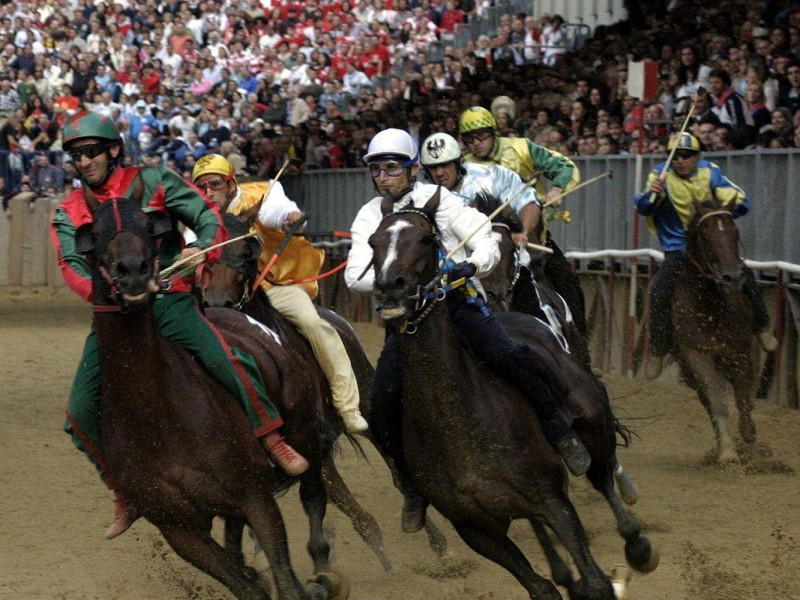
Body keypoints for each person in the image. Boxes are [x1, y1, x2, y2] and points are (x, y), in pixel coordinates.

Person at [51, 111, 309, 541]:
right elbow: (72, 266)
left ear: (114, 149)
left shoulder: (156, 181)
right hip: (115, 315)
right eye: (77, 155)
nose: (85, 161)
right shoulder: (70, 210)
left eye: (92, 151)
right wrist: (107, 290)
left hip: (169, 299)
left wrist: (204, 251)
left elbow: (207, 216)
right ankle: (123, 491)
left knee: (223, 355)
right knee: (77, 412)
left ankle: (271, 438)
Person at [344, 128, 591, 533]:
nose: (383, 177)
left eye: (392, 168)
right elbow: (355, 275)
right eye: (376, 169)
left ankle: (559, 431)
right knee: (382, 403)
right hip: (407, 320)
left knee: (512, 356)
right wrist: (405, 281)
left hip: (456, 304)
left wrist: (471, 267)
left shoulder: (440, 201)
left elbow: (487, 243)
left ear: (412, 169)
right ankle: (412, 485)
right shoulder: (370, 215)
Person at [190, 154, 368, 434]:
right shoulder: (197, 217)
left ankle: (347, 405)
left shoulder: (265, 192)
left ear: (231, 184)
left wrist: (289, 217)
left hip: (278, 286)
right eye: (201, 186)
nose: (208, 191)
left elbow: (276, 211)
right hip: (227, 296)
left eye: (214, 183)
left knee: (312, 324)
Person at [634, 132, 777, 379]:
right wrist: (653, 193)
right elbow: (643, 206)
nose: (680, 160)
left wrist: (724, 205)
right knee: (658, 292)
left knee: (744, 273)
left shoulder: (711, 172)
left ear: (697, 157)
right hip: (678, 250)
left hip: (709, 246)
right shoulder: (660, 175)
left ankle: (762, 327)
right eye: (674, 156)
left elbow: (740, 200)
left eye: (686, 155)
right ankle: (658, 349)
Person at [458, 105, 588, 337]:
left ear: (494, 133)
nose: (476, 143)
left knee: (568, 282)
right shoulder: (463, 168)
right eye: (470, 139)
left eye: (482, 136)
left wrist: (557, 188)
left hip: (532, 239)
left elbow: (564, 166)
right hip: (487, 246)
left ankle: (582, 350)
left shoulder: (522, 147)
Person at [419, 131, 546, 317]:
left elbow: (529, 203)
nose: (439, 173)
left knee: (546, 297)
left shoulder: (493, 175)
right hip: (449, 276)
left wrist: (524, 231)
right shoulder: (421, 194)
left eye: (445, 165)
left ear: (458, 161)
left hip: (505, 266)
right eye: (433, 167)